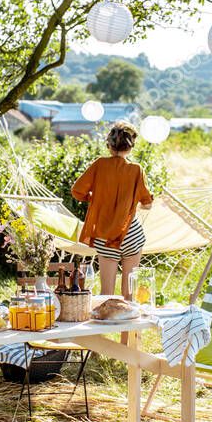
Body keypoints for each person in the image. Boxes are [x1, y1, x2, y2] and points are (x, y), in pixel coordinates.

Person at [71, 121, 153, 299]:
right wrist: (134, 204)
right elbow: (147, 203)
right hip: (131, 234)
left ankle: (105, 326)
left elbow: (77, 191)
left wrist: (96, 198)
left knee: (106, 294)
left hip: (104, 236)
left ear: (109, 145)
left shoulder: (99, 164)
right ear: (130, 147)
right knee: (129, 294)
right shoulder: (136, 170)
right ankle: (130, 328)